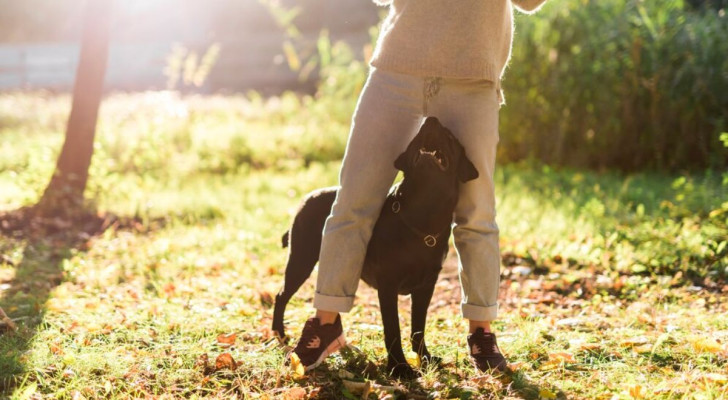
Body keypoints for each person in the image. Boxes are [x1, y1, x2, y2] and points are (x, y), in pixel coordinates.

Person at [291, 0, 549, 374]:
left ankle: (481, 331)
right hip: (398, 70)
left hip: (472, 78)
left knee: (476, 214)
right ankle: (326, 323)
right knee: (353, 202)